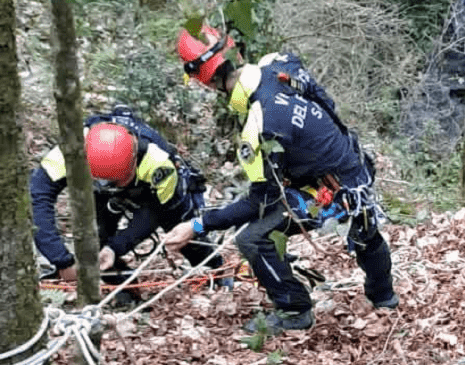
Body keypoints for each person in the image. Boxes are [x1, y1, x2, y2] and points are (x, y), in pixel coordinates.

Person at [166, 25, 397, 335]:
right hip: (351, 163)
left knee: (251, 237)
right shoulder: (279, 64)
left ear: (207, 84)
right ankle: (385, 298)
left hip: (330, 191)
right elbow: (319, 98)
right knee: (366, 233)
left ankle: (294, 308)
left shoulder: (258, 128)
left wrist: (197, 225)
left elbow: (260, 201)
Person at [30, 107, 223, 292]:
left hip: (152, 193)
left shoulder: (158, 163)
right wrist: (61, 260)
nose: (113, 187)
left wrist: (117, 246)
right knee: (97, 239)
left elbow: (155, 214)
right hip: (98, 190)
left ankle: (219, 272)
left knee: (185, 230)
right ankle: (125, 292)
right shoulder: (71, 149)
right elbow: (37, 199)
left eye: (116, 182)